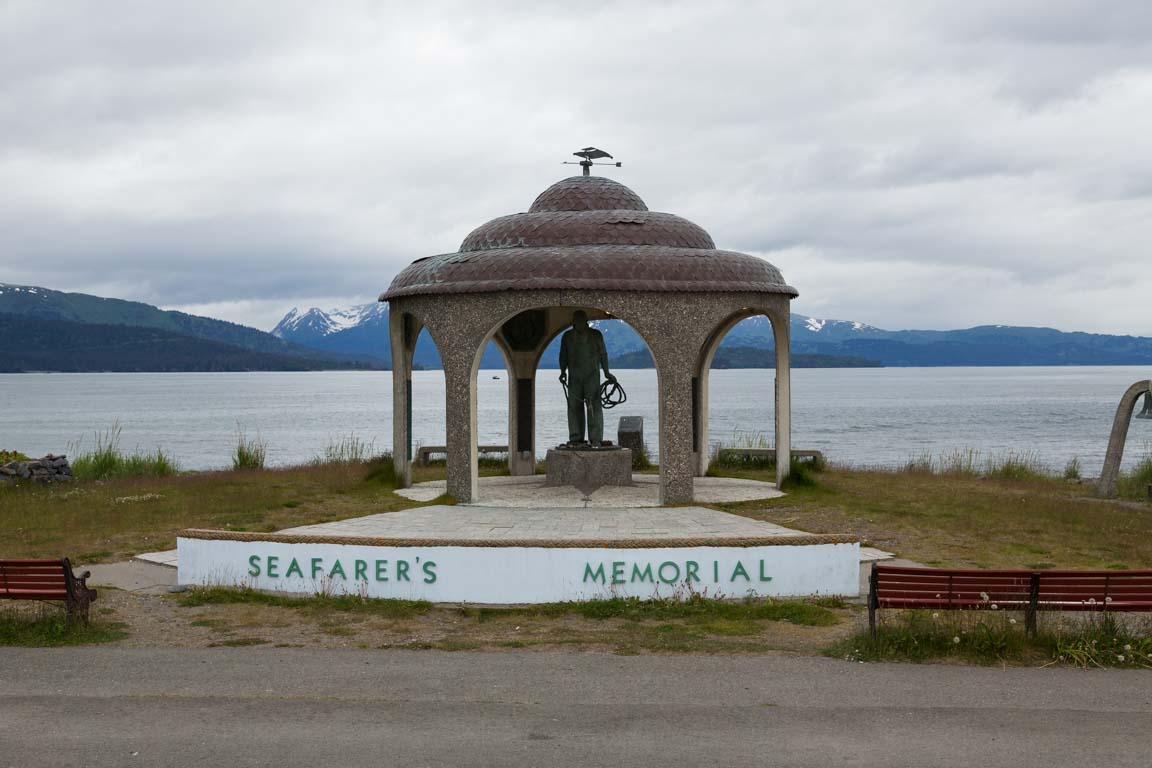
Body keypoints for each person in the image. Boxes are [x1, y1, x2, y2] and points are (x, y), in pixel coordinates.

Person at [558, 310, 616, 447]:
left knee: (594, 406)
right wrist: (562, 372)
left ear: (586, 322)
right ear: (573, 322)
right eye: (576, 321)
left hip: (592, 377)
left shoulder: (596, 335)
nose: (579, 323)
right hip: (574, 377)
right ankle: (575, 437)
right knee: (574, 407)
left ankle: (596, 438)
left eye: (582, 320)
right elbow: (563, 355)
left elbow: (603, 354)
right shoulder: (567, 336)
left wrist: (607, 372)